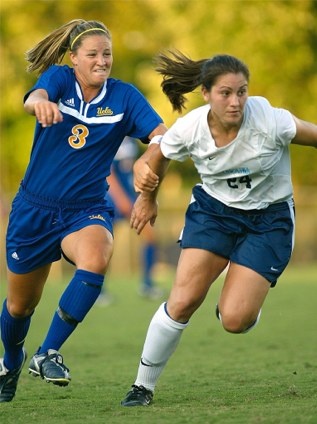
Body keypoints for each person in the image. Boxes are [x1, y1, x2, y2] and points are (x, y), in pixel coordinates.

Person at [120, 50, 317, 406]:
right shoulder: (191, 127)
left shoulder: (272, 121)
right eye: (225, 93)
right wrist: (147, 197)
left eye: (241, 91)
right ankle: (142, 386)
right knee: (183, 299)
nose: (235, 101)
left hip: (268, 220)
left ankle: (241, 302)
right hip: (214, 213)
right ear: (206, 93)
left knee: (235, 320)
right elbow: (157, 156)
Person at [0, 19, 167, 403]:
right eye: (92, 54)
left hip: (86, 209)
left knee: (97, 257)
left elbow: (161, 134)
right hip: (33, 210)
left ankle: (47, 353)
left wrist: (150, 157)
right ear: (74, 58)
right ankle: (11, 360)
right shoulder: (58, 79)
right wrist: (39, 101)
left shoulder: (124, 96)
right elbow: (35, 96)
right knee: (20, 305)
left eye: (107, 53)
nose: (101, 60)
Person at [97, 136, 163, 305]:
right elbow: (108, 173)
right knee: (106, 244)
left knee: (149, 236)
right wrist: (121, 199)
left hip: (131, 196)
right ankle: (98, 290)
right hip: (112, 198)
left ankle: (147, 285)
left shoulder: (132, 140)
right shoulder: (111, 137)